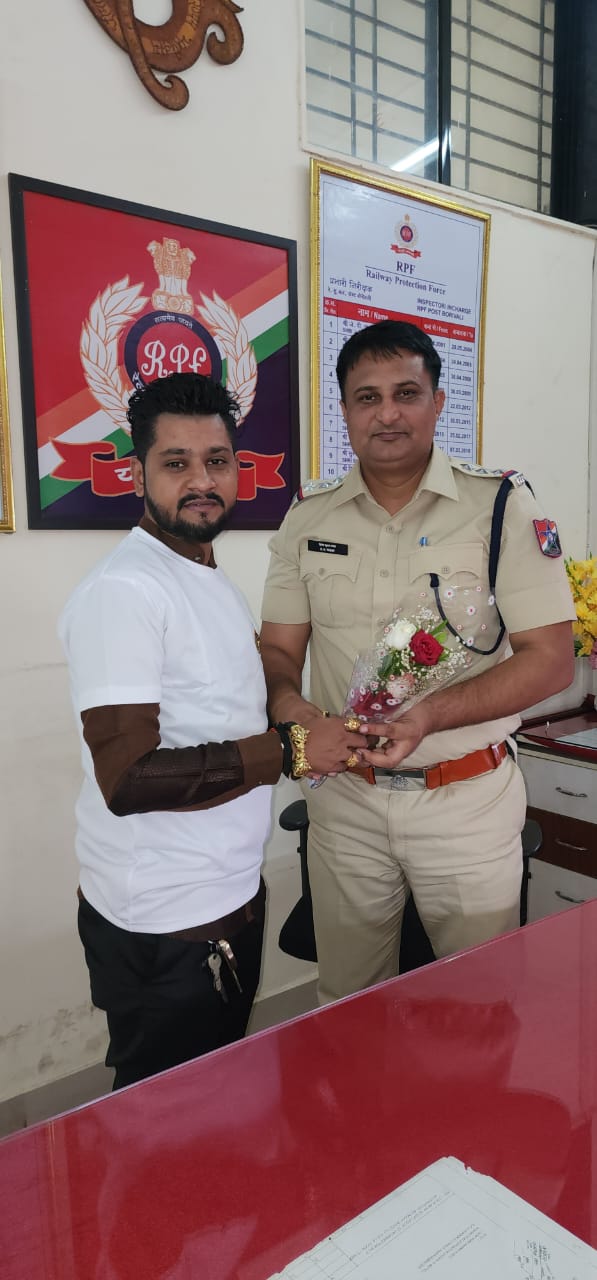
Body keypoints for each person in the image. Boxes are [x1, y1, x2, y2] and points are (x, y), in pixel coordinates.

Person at [59, 371, 363, 1087]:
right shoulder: (126, 591)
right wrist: (291, 750)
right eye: (176, 463)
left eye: (216, 460)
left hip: (224, 896)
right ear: (137, 474)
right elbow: (128, 779)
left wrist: (299, 714)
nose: (201, 480)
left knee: (214, 1097)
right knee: (163, 1113)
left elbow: (225, 705)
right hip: (164, 920)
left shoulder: (205, 575)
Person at [260, 320, 576, 1004]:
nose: (387, 413)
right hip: (346, 802)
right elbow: (278, 649)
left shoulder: (499, 507)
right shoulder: (308, 518)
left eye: (406, 393)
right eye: (366, 397)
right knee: (348, 1001)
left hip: (465, 802)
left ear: (438, 402)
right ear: (344, 412)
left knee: (478, 1007)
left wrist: (429, 715)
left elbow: (551, 661)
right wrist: (292, 710)